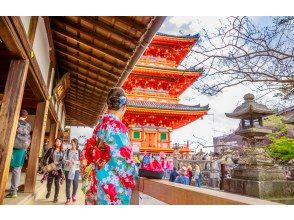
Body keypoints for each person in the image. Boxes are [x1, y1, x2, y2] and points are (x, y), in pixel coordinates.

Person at [80, 87, 137, 205]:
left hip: (96, 182)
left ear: (108, 106)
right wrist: (135, 173)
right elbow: (123, 160)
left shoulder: (99, 126)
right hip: (111, 188)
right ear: (124, 107)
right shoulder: (117, 127)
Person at [5, 110, 31, 198]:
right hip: (22, 149)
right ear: (26, 117)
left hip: (12, 147)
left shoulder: (14, 122)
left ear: (18, 115)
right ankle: (14, 191)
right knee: (17, 170)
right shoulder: (28, 126)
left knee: (4, 166)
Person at [42, 138, 65, 203]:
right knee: (49, 183)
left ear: (61, 143)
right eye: (57, 141)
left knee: (57, 184)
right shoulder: (51, 150)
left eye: (59, 142)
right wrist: (46, 165)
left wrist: (61, 163)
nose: (58, 143)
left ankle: (55, 197)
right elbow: (45, 157)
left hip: (58, 170)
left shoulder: (63, 151)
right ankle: (48, 191)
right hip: (51, 169)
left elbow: (63, 161)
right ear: (55, 142)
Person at [63, 138, 81, 205]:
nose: (72, 144)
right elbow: (64, 159)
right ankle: (68, 198)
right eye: (72, 142)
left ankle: (73, 195)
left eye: (74, 142)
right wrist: (67, 161)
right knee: (68, 184)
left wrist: (74, 162)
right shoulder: (67, 151)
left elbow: (81, 160)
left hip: (76, 169)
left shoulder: (79, 151)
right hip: (68, 169)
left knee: (75, 183)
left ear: (76, 143)